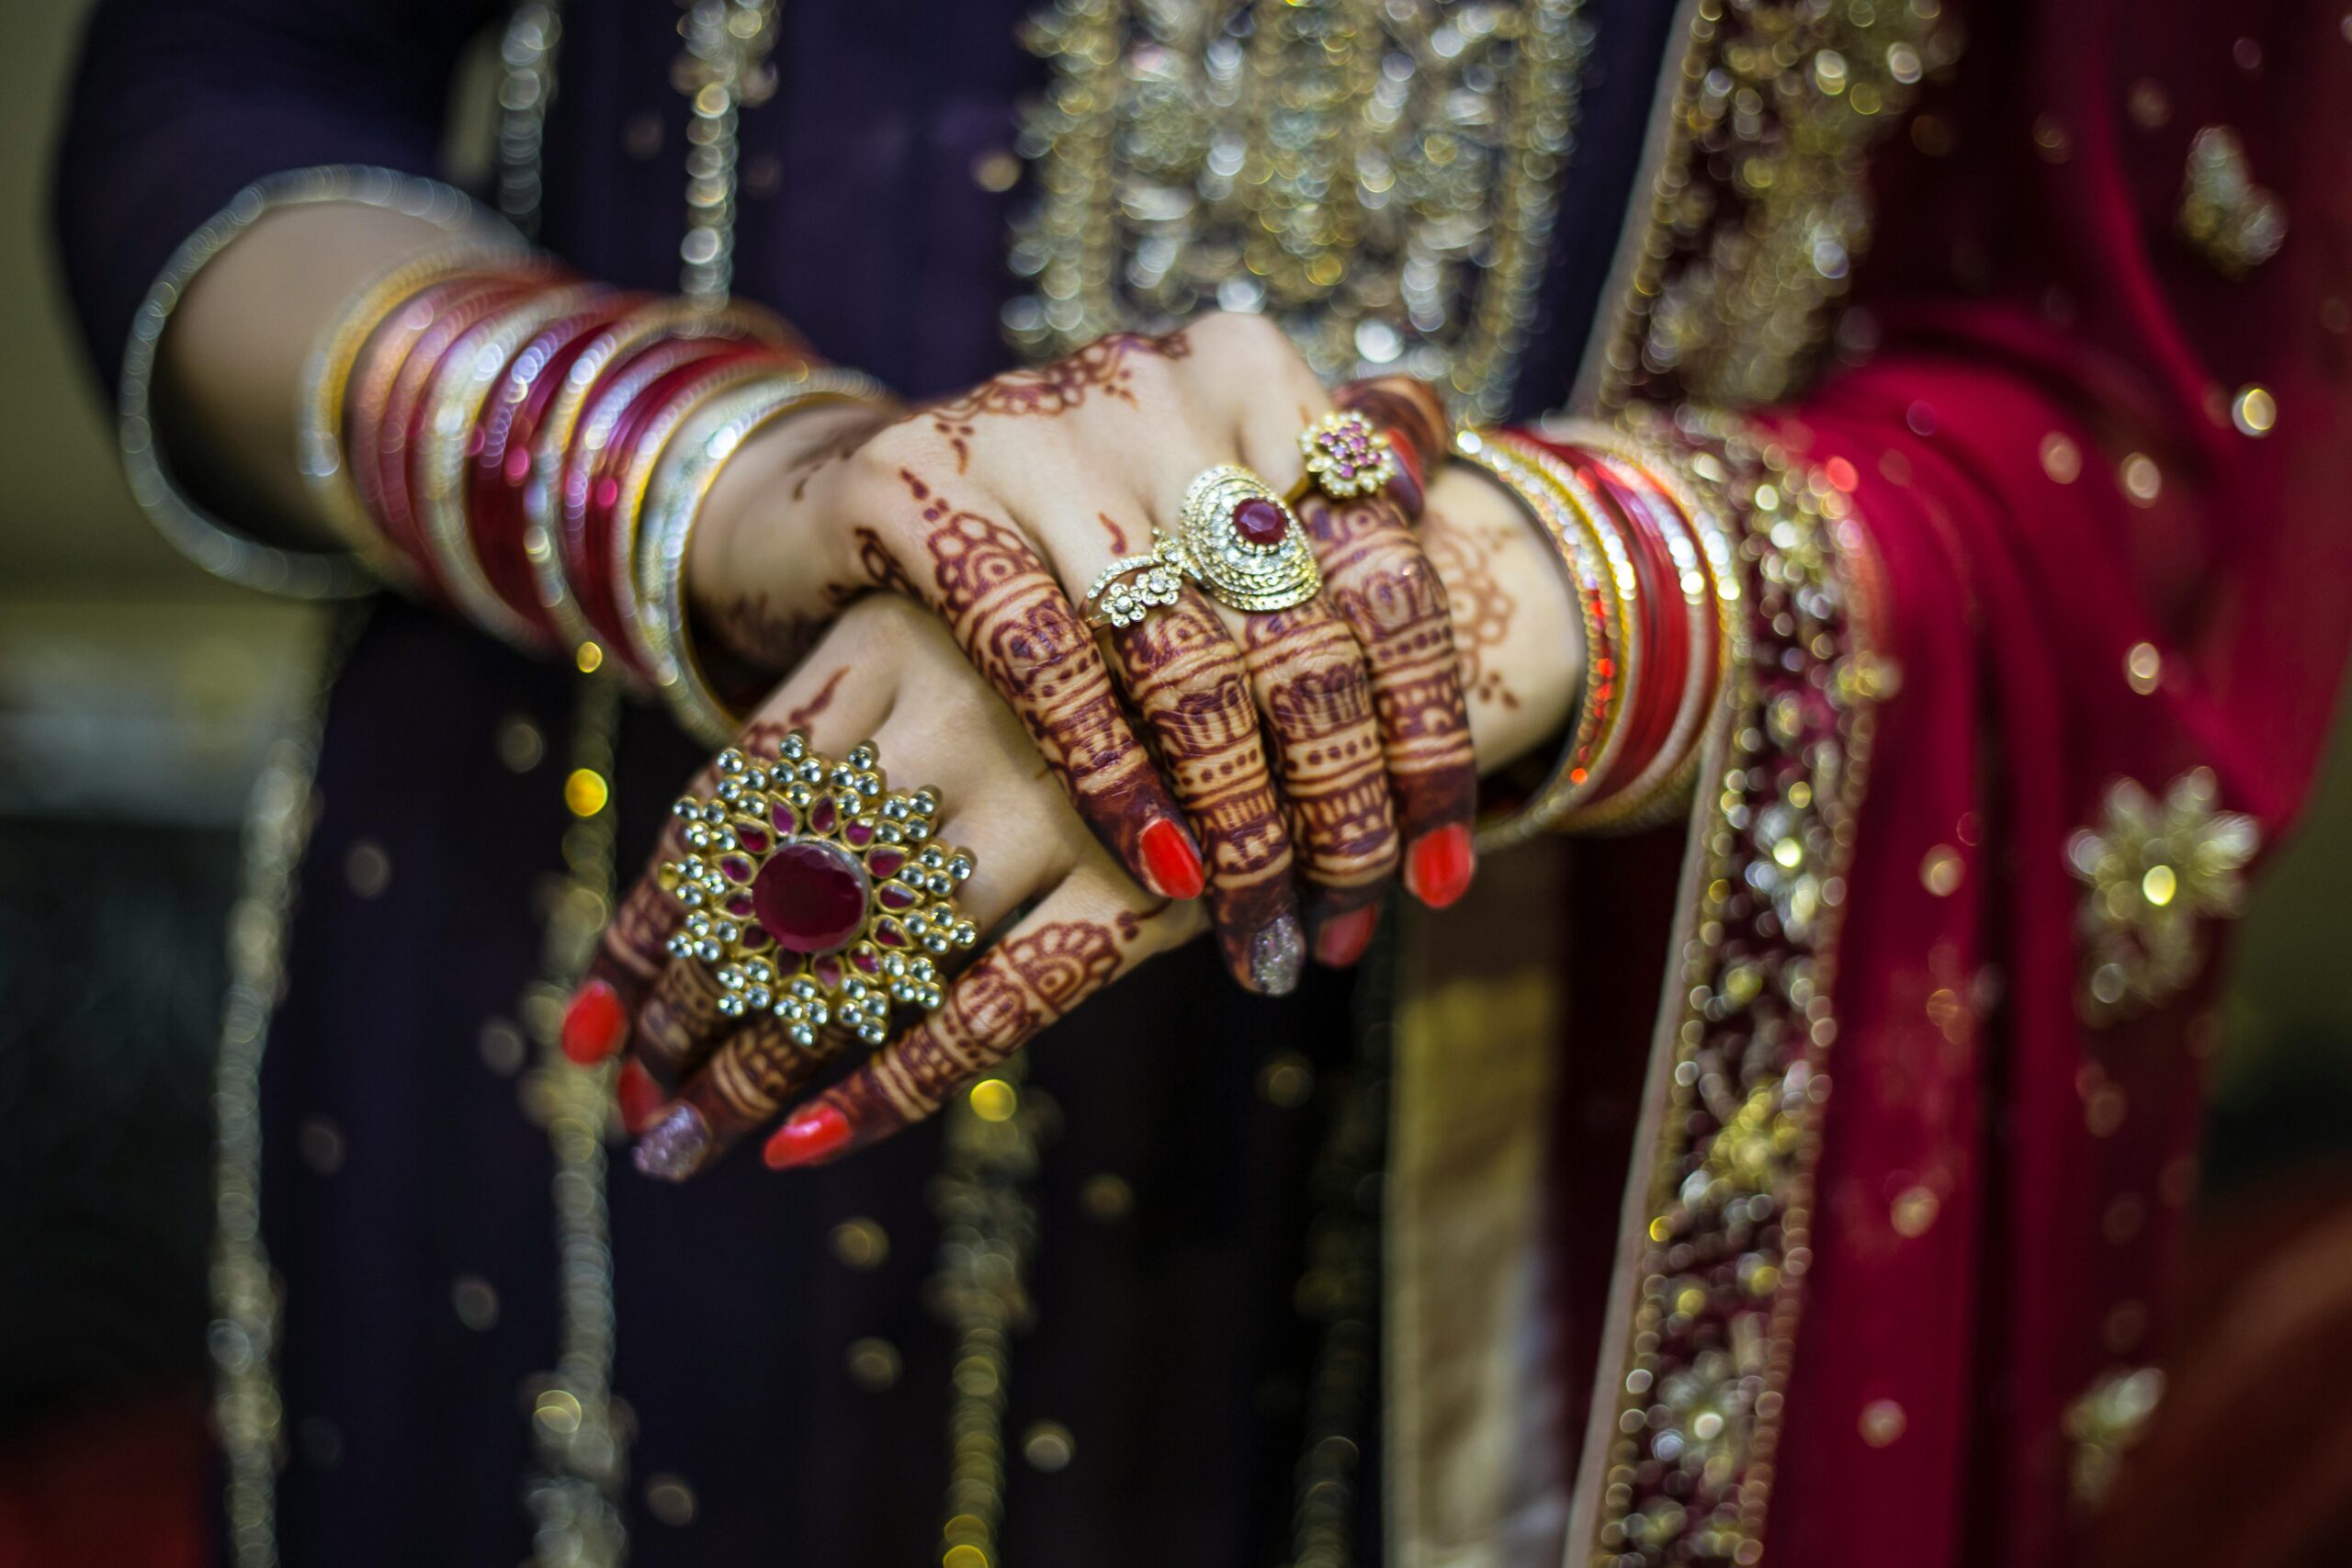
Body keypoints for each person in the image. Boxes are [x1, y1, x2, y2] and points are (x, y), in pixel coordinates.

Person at [50, 0, 2352, 1563]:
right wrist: (739, 476)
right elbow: (222, 97)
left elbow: (2146, 416)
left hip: (1503, 1163)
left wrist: (1458, 606)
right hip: (615, 985)